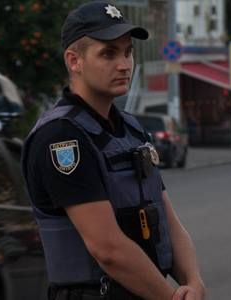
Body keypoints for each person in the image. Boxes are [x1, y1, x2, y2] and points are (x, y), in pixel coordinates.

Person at [21, 2, 204, 299]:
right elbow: (107, 249)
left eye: (128, 52)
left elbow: (169, 221)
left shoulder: (131, 130)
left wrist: (194, 282)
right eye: (108, 53)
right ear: (74, 61)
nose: (124, 64)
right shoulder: (62, 138)